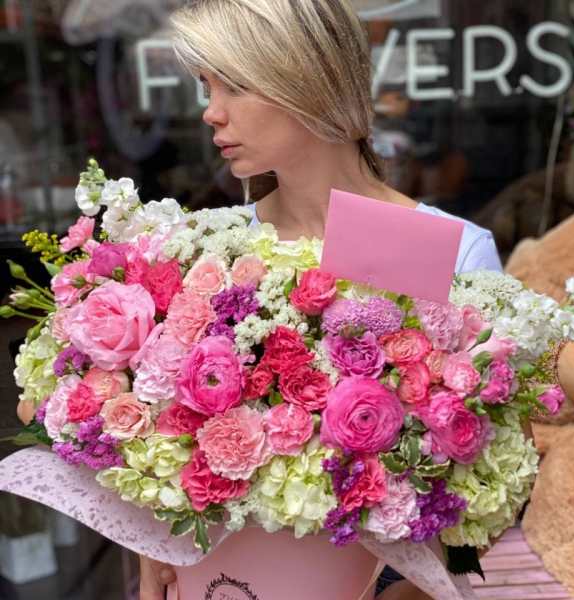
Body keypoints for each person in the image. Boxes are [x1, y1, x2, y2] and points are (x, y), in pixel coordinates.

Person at [140, 1, 502, 599]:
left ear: (307, 79)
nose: (211, 112)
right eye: (207, 88)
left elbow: (487, 475)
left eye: (234, 86)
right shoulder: (209, 251)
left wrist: (405, 592)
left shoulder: (451, 251)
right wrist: (150, 547)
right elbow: (158, 438)